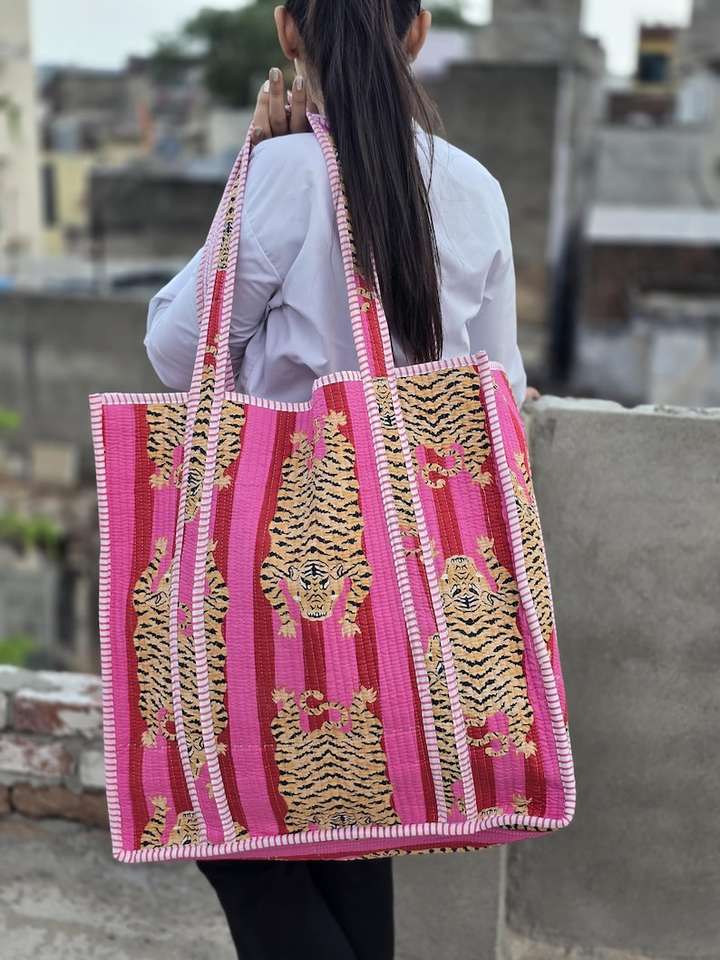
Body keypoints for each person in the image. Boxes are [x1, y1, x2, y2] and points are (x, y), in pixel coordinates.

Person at [144, 3, 528, 957]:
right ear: (418, 30)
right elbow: (501, 393)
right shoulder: (474, 188)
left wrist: (248, 177)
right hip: (409, 567)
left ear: (288, 31)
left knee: (225, 815)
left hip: (267, 554)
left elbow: (177, 350)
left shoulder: (282, 174)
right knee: (351, 821)